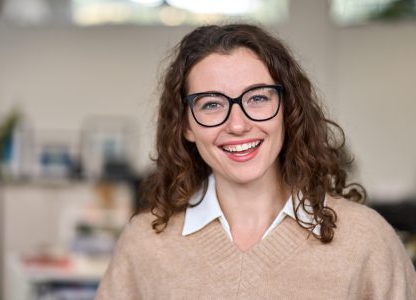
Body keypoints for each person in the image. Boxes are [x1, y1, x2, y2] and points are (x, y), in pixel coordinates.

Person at [96, 23, 416, 299]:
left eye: (258, 98)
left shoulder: (366, 240)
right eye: (211, 104)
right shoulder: (144, 245)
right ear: (185, 125)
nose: (237, 124)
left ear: (287, 112)